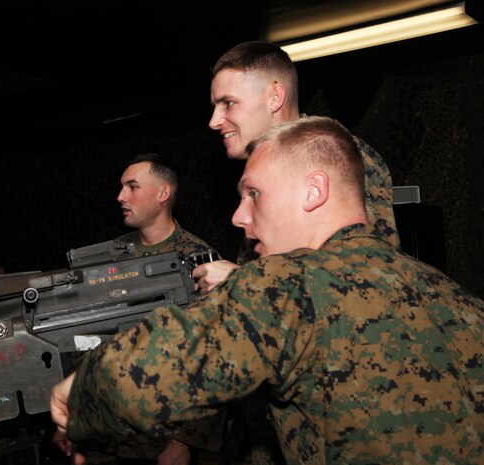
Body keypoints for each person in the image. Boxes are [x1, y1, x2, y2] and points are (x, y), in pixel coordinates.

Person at [50, 116, 484, 465]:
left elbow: (172, 362)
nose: (239, 217)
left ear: (314, 191)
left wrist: (84, 395)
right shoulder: (460, 301)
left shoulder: (287, 283)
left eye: (254, 194)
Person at [53, 152, 223, 465]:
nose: (121, 196)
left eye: (132, 187)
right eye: (121, 187)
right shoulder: (108, 260)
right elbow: (86, 341)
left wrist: (184, 440)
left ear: (163, 193)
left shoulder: (197, 259)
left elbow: (214, 356)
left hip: (161, 442)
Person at [194, 40, 400, 295]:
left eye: (228, 103)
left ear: (275, 97)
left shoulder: (339, 158)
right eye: (215, 106)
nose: (214, 121)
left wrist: (244, 281)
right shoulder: (263, 170)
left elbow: (370, 280)